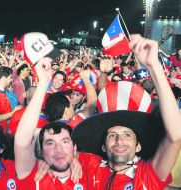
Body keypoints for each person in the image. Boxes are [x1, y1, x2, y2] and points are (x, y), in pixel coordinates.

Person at [72, 34, 181, 189]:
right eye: (112, 135)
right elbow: (51, 151)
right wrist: (68, 158)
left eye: (127, 134)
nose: (119, 140)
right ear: (103, 146)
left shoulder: (148, 174)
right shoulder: (90, 165)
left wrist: (153, 65)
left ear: (138, 146)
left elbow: (175, 136)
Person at [15, 57, 97, 189]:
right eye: (50, 143)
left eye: (65, 141)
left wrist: (75, 156)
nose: (58, 148)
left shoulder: (39, 128)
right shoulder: (74, 124)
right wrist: (86, 79)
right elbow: (92, 103)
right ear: (66, 110)